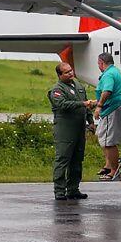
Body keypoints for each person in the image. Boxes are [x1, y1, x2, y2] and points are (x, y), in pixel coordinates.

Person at [48, 62, 93, 200]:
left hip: (79, 129)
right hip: (65, 130)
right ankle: (59, 191)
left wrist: (90, 121)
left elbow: (86, 105)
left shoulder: (78, 86)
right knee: (63, 159)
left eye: (71, 70)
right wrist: (83, 104)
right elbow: (61, 105)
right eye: (66, 72)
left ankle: (73, 189)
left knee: (77, 160)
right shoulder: (57, 89)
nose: (70, 73)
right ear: (60, 75)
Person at [90, 52, 121, 180]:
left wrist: (99, 106)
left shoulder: (108, 74)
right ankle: (108, 165)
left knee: (109, 142)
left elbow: (107, 91)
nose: (98, 65)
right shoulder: (116, 72)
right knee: (102, 135)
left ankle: (114, 170)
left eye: (98, 63)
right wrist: (95, 102)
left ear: (102, 63)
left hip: (113, 110)